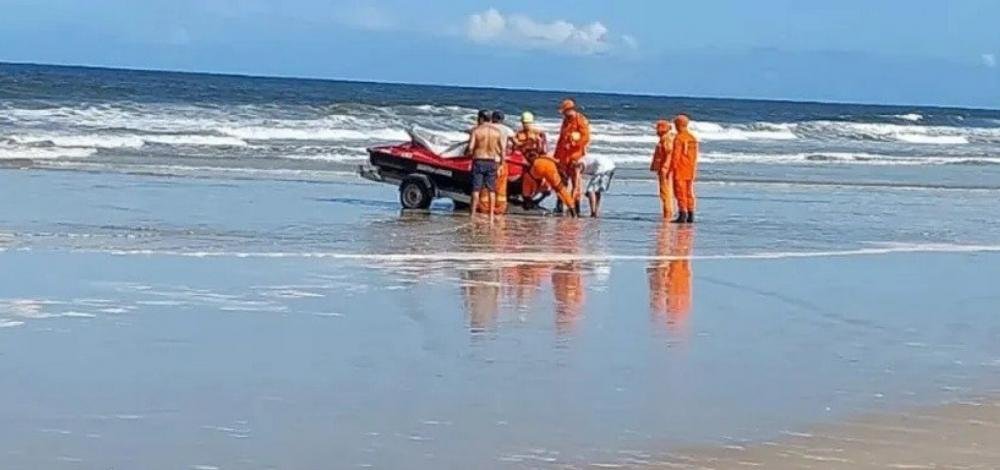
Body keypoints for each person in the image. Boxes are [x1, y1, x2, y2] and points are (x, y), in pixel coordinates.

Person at [515, 111, 577, 216]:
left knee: (527, 180)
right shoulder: (540, 133)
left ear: (522, 122)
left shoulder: (518, 135)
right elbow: (544, 149)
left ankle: (527, 204)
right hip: (548, 162)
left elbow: (517, 148)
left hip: (536, 164)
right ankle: (573, 211)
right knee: (560, 188)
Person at [553, 99, 590, 213]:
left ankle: (575, 206)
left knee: (575, 183)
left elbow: (585, 138)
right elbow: (561, 139)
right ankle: (559, 205)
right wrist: (556, 156)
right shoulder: (565, 121)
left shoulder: (581, 120)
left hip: (576, 157)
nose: (563, 114)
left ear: (570, 110)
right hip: (563, 157)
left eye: (565, 111)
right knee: (561, 181)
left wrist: (574, 144)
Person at [468, 109, 503, 222]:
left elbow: (470, 148)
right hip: (492, 161)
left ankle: (472, 214)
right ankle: (491, 216)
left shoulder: (476, 131)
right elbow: (502, 150)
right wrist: (501, 164)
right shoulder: (497, 132)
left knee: (476, 189)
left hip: (479, 161)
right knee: (491, 190)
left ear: (481, 118)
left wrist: (468, 153)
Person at [477, 110, 514, 215]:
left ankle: (484, 207)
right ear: (502, 120)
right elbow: (514, 143)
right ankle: (499, 209)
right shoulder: (507, 130)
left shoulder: (487, 128)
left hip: (487, 160)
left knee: (485, 186)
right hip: (500, 160)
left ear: (492, 118)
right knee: (501, 187)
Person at [670, 114, 699, 223]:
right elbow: (695, 155)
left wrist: (671, 167)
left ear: (678, 124)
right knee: (689, 192)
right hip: (690, 168)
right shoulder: (692, 138)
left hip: (680, 168)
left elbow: (676, 155)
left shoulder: (679, 138)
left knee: (679, 192)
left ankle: (682, 214)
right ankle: (691, 214)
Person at [650, 120, 675, 219]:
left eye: (658, 128)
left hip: (665, 169)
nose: (656, 130)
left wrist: (665, 167)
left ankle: (667, 213)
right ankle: (667, 212)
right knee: (665, 192)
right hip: (663, 168)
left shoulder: (666, 138)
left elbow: (669, 153)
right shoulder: (665, 138)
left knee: (665, 192)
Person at [581, 153, 616, 218]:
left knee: (590, 190)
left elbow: (580, 168)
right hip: (610, 166)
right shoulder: (584, 159)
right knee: (597, 191)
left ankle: (593, 212)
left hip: (602, 167)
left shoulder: (579, 162)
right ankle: (595, 212)